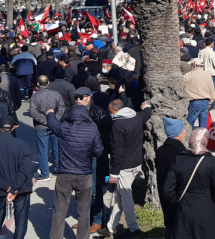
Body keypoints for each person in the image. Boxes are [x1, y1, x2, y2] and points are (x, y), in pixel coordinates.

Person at [47, 89, 104, 239]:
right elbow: (99, 151)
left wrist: (50, 112)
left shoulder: (63, 127)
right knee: (84, 212)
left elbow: (52, 123)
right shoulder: (92, 128)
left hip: (64, 175)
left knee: (59, 211)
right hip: (84, 175)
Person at [161, 127, 215, 239]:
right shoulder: (211, 162)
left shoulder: (179, 159)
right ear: (205, 140)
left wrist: (176, 201)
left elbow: (167, 189)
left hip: (185, 210)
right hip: (208, 210)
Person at [101, 99, 152, 238]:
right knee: (120, 195)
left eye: (111, 112)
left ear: (116, 111)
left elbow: (117, 152)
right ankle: (110, 228)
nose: (110, 114)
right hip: (136, 163)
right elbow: (147, 113)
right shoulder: (137, 116)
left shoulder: (118, 125)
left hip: (124, 167)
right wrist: (146, 106)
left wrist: (114, 173)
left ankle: (134, 228)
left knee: (126, 197)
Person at [29, 75, 66, 181]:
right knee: (57, 149)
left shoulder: (35, 96)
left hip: (41, 127)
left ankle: (45, 174)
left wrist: (45, 121)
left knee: (42, 151)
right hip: (54, 125)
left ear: (38, 84)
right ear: (48, 83)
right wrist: (53, 120)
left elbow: (33, 112)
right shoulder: (56, 94)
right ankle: (59, 169)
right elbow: (62, 107)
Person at [155, 118, 187, 238]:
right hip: (177, 194)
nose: (184, 132)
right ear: (178, 133)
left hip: (164, 192)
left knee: (169, 222)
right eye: (182, 130)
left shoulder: (160, 151)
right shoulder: (181, 152)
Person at [183, 57, 215, 128]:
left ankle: (189, 135)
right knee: (203, 124)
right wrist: (211, 103)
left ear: (194, 66)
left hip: (194, 102)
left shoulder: (189, 75)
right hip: (206, 102)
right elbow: (212, 91)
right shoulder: (207, 75)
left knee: (189, 124)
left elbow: (180, 84)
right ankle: (202, 135)